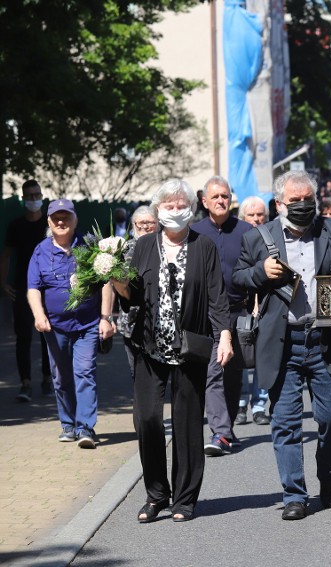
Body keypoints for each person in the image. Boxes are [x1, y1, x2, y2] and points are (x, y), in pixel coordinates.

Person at [232, 170, 331, 521]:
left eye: (307, 200)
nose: (302, 206)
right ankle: (294, 493)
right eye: (294, 202)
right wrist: (261, 272)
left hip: (326, 339)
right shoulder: (257, 238)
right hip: (283, 343)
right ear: (279, 204)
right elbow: (237, 279)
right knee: (285, 422)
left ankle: (328, 475)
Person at [113, 179, 231, 522]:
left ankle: (184, 499)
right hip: (149, 346)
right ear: (157, 211)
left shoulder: (204, 246)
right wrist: (116, 280)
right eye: (168, 206)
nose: (175, 211)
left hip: (189, 348)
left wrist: (224, 336)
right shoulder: (144, 246)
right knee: (147, 419)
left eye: (181, 205)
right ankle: (156, 494)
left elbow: (217, 296)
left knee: (187, 424)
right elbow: (131, 296)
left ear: (190, 209)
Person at [27, 199, 116, 448]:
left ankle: (85, 427)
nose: (61, 221)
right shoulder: (41, 251)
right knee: (60, 376)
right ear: (49, 222)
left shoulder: (89, 247)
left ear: (75, 220)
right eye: (56, 217)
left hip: (86, 325)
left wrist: (106, 318)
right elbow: (33, 288)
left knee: (85, 372)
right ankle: (68, 425)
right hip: (54, 328)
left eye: (65, 217)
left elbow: (106, 281)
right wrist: (38, 315)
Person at [191, 176, 253, 456]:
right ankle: (221, 433)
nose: (220, 201)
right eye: (215, 197)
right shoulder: (193, 232)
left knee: (234, 374)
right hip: (207, 314)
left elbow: (256, 272)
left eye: (225, 196)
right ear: (204, 201)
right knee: (213, 371)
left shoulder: (246, 231)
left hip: (238, 311)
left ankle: (227, 429)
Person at [2, 179, 51, 402]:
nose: (34, 199)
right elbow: (6, 255)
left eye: (37, 195)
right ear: (23, 199)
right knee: (23, 336)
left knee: (47, 335)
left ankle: (48, 378)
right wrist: (3, 283)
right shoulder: (15, 225)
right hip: (22, 288)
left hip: (49, 288)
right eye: (29, 196)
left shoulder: (50, 224)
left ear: (42, 196)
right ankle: (26, 383)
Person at [234, 196, 271, 426]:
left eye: (260, 215)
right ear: (242, 217)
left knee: (261, 357)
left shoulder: (271, 237)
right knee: (240, 357)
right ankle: (239, 404)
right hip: (241, 306)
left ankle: (259, 406)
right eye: (251, 215)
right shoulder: (239, 238)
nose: (256, 219)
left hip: (265, 308)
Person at [116, 206, 158, 381]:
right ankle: (141, 406)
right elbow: (114, 284)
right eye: (141, 223)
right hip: (131, 321)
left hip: (158, 320)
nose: (146, 226)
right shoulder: (125, 249)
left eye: (150, 222)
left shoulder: (163, 247)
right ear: (133, 225)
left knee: (155, 371)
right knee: (136, 370)